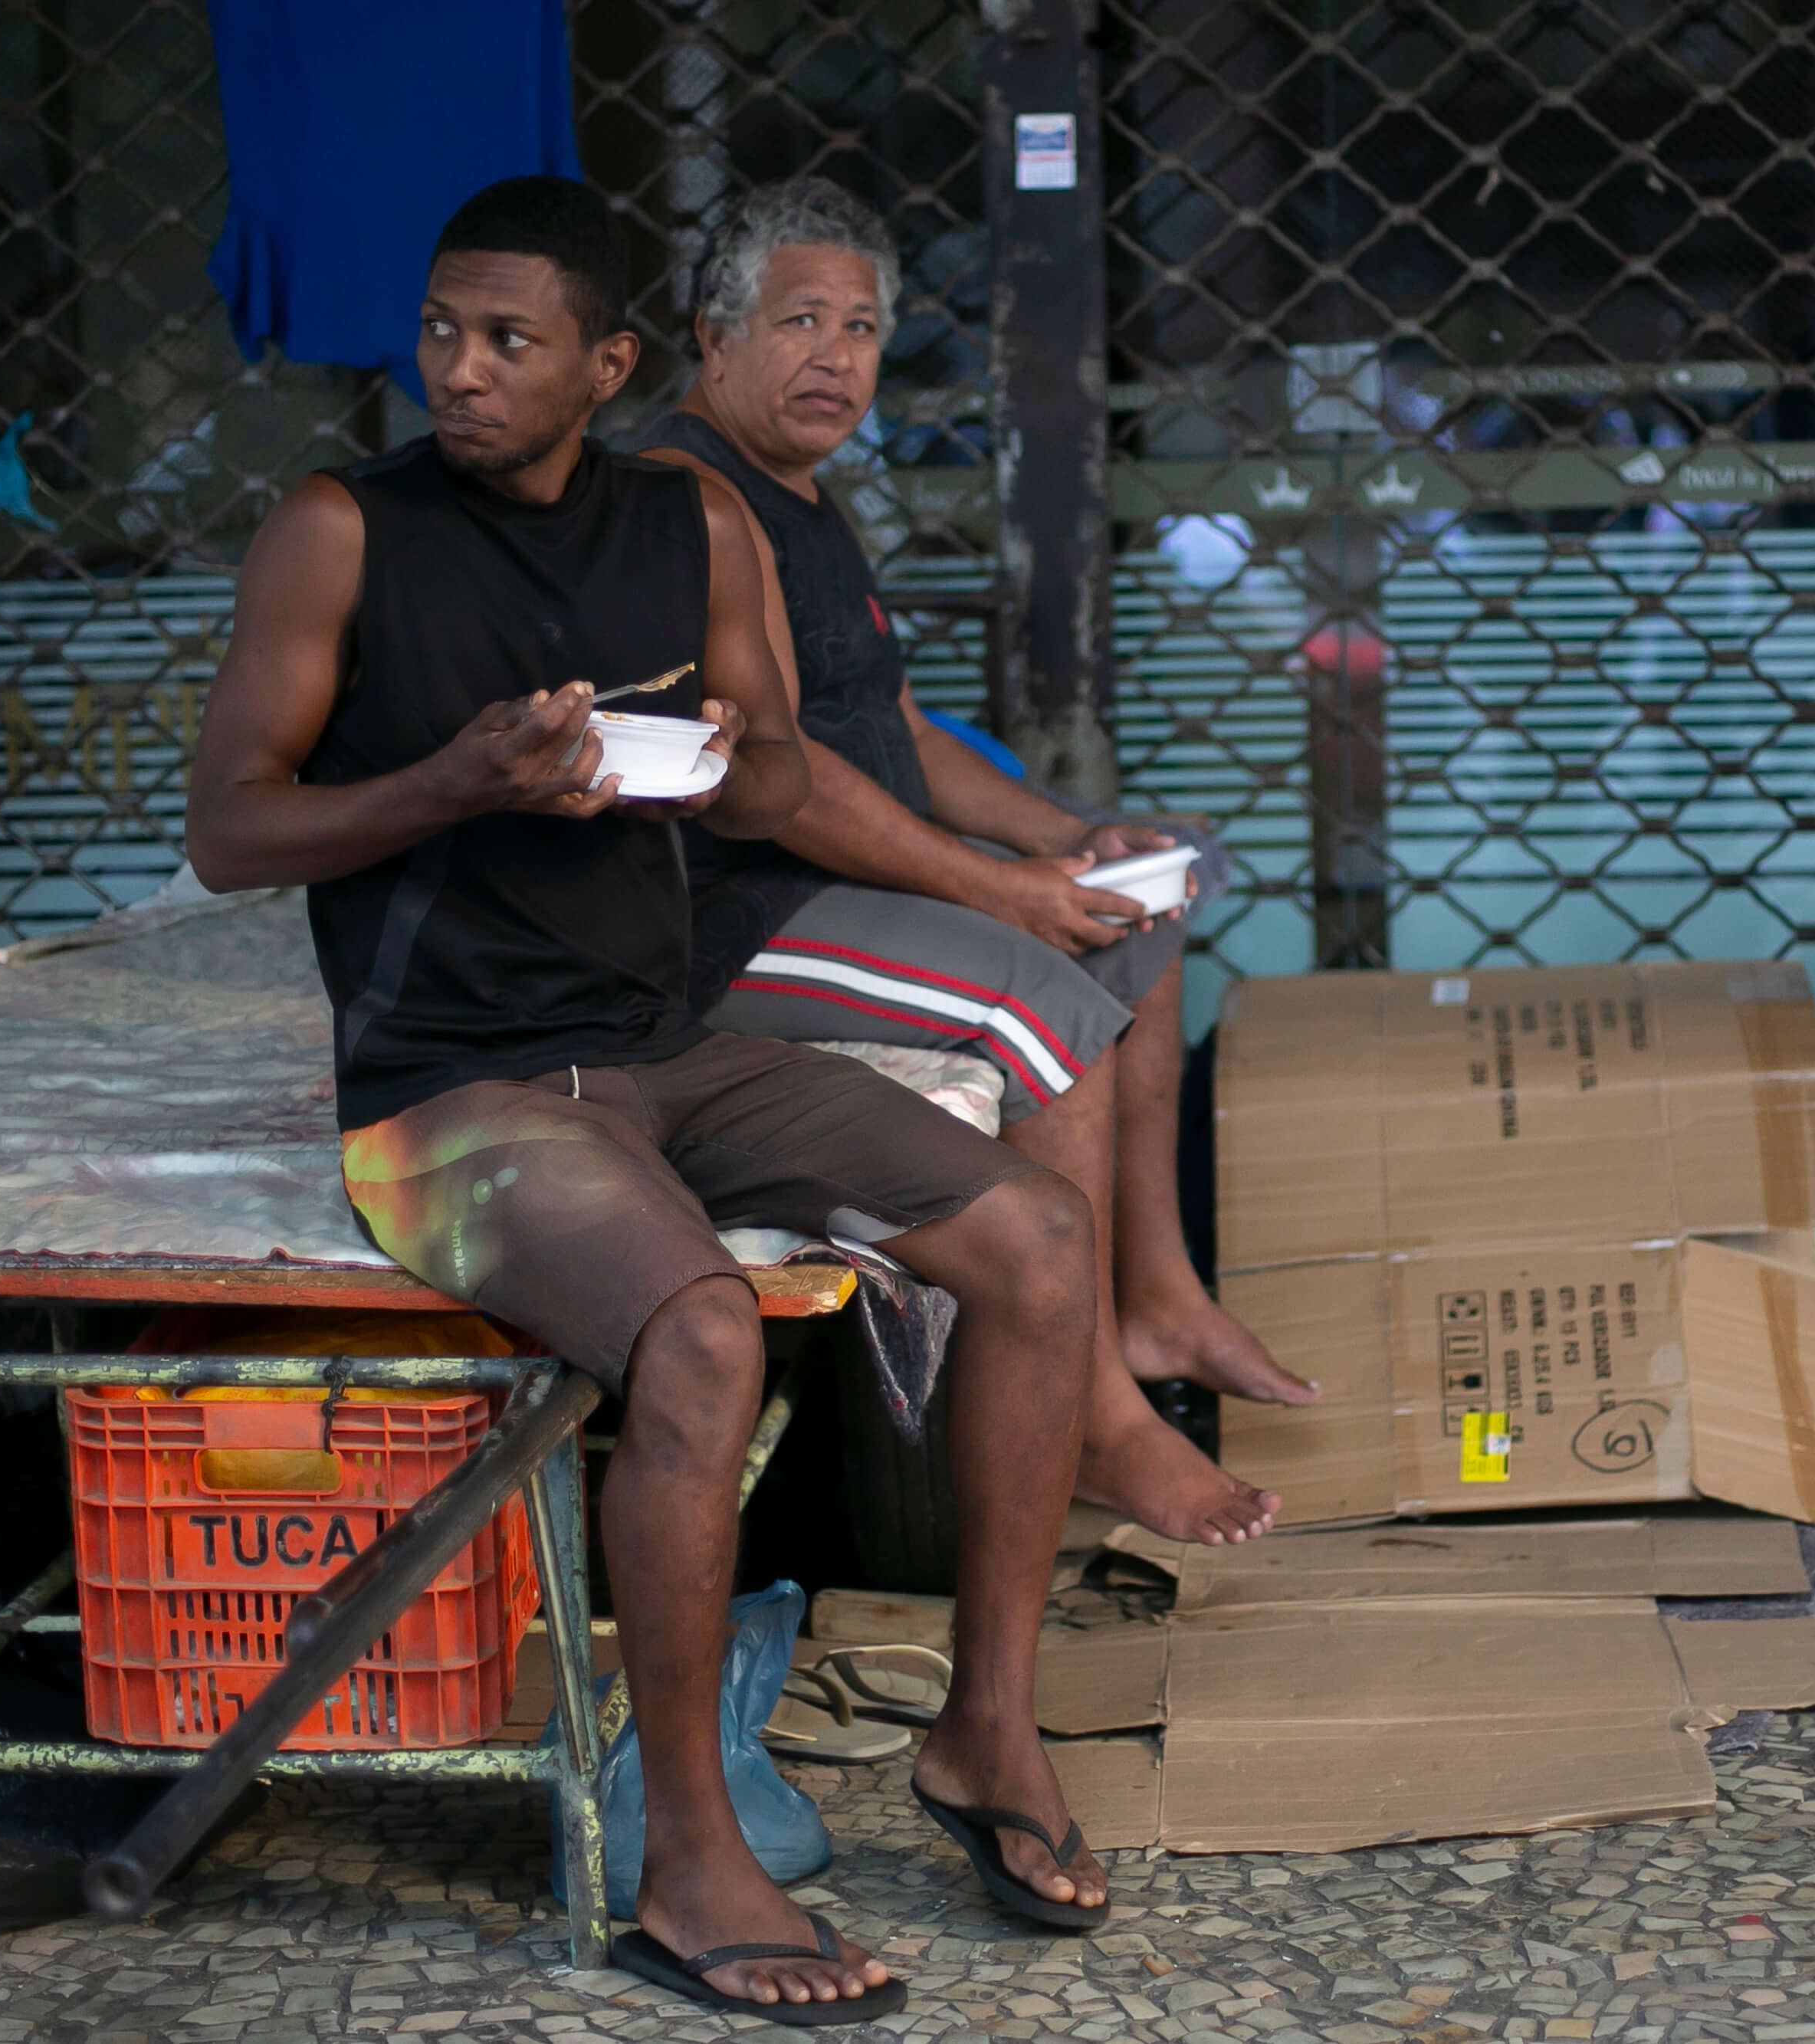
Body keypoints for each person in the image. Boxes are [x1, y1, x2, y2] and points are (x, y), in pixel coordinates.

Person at [185, 178, 1108, 2024]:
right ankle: (689, 1860)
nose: (458, 370)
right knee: (700, 1342)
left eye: (508, 341)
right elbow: (230, 833)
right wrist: (453, 781)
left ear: (606, 364)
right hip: (452, 1095)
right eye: (441, 332)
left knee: (1036, 1234)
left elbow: (769, 777)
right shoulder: (339, 529)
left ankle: (985, 1733)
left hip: (664, 1047)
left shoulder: (691, 524)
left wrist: (707, 766)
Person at [629, 177, 1304, 1547]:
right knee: (1040, 995)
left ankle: (1158, 1298)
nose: (839, 357)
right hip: (731, 914)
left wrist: (1064, 842)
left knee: (1141, 911)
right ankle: (1100, 1423)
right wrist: (1003, 893)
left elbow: (897, 731)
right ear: (713, 336)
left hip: (841, 881)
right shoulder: (693, 494)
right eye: (801, 320)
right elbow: (780, 778)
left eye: (865, 328)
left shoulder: (804, 496)